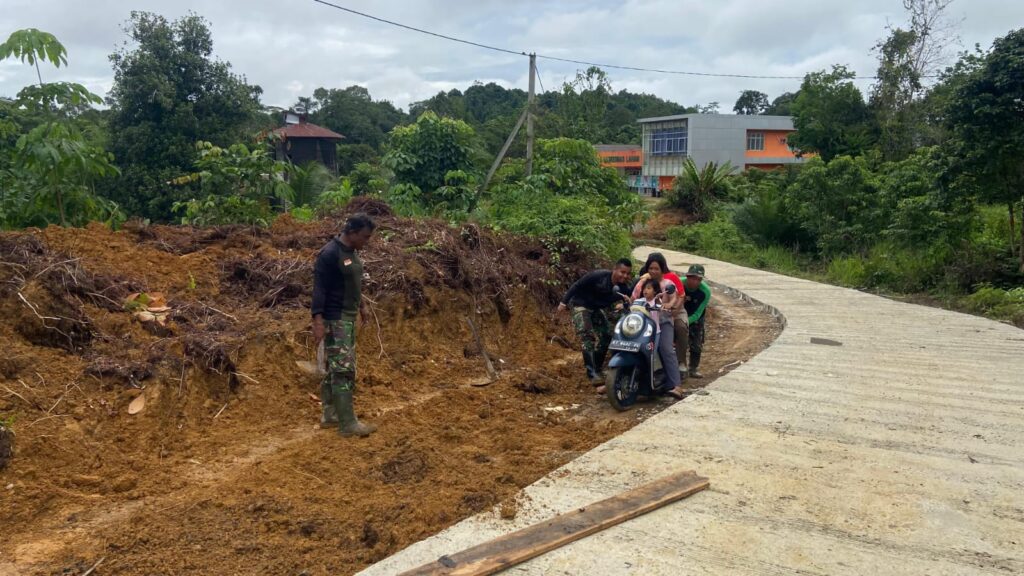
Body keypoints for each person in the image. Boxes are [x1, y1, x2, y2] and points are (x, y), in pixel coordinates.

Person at [311, 213, 377, 437]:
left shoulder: (351, 253)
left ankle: (330, 415)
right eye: (365, 237)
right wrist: (317, 321)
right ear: (352, 232)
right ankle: (347, 423)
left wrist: (362, 306)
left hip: (347, 317)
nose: (366, 241)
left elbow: (352, 283)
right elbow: (319, 289)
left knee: (336, 368)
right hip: (336, 318)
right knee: (343, 370)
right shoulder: (330, 254)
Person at [558, 258, 633, 384]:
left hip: (596, 309)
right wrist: (563, 302)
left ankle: (597, 368)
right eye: (622, 272)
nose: (624, 276)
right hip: (580, 305)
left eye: (627, 273)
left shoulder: (623, 288)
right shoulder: (598, 276)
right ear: (615, 269)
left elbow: (630, 301)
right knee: (587, 336)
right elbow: (577, 285)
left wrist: (627, 302)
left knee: (607, 336)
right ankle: (591, 373)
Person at [630, 253, 682, 395]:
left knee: (666, 350)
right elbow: (633, 297)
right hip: (643, 322)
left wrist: (667, 306)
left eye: (656, 268)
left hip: (663, 322)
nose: (653, 271)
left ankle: (676, 385)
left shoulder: (667, 284)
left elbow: (674, 298)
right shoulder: (642, 283)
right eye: (651, 268)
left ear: (662, 268)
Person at [682, 264, 712, 379]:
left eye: (698, 279)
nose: (694, 282)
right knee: (680, 343)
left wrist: (686, 321)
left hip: (696, 317)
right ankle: (680, 366)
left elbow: (698, 313)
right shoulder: (678, 284)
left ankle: (693, 368)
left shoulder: (705, 292)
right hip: (678, 314)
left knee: (696, 344)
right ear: (687, 276)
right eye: (692, 278)